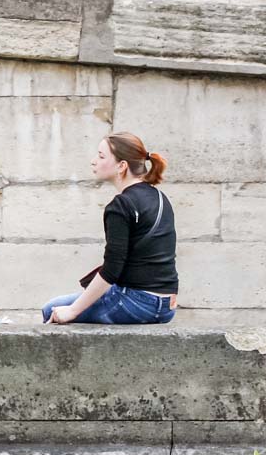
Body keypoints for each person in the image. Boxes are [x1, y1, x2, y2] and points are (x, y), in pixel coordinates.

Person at [42, 132, 179, 325]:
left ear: (121, 166)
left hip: (136, 303)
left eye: (101, 156)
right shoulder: (159, 197)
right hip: (167, 305)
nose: (93, 161)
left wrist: (72, 311)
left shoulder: (121, 205)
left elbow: (112, 270)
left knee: (52, 309)